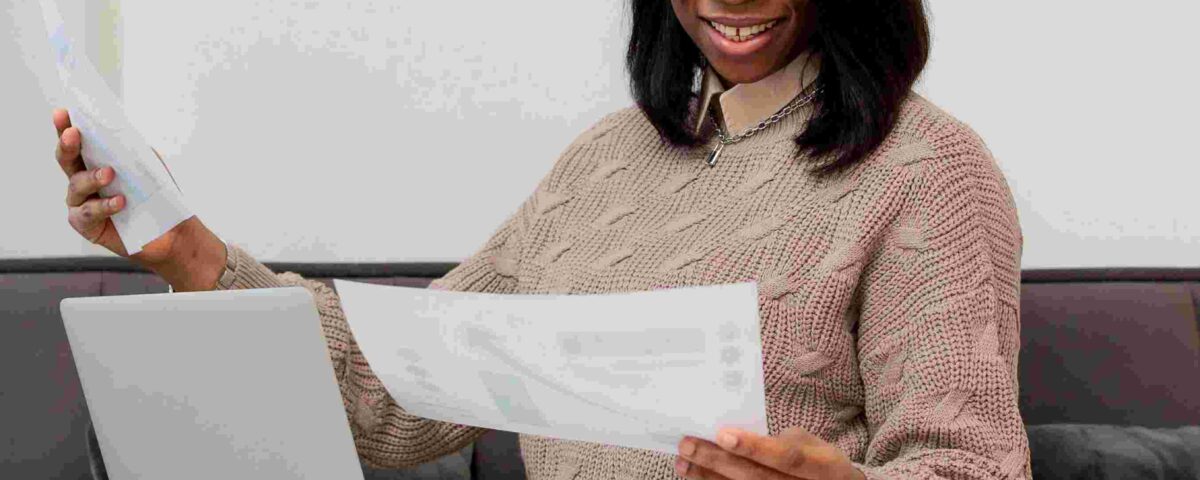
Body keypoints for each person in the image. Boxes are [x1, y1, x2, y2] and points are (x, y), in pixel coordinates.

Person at [49, 0, 1030, 478]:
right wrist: (189, 253)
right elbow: (394, 395)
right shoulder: (605, 162)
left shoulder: (926, 172)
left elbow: (975, 468)